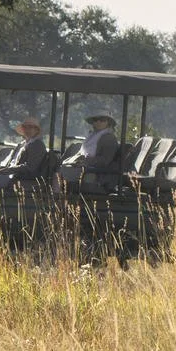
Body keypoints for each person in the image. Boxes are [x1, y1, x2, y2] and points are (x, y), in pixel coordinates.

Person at [77, 112, 127, 266]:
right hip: (90, 172)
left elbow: (104, 161)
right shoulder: (93, 136)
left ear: (108, 123)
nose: (98, 122)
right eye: (96, 119)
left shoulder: (108, 138)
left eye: (102, 120)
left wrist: (85, 161)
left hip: (99, 177)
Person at [0, 116, 51, 189]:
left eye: (30, 127)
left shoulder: (37, 145)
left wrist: (8, 170)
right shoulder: (23, 144)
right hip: (10, 174)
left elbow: (30, 167)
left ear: (36, 130)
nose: (27, 129)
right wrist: (1, 169)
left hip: (20, 178)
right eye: (25, 127)